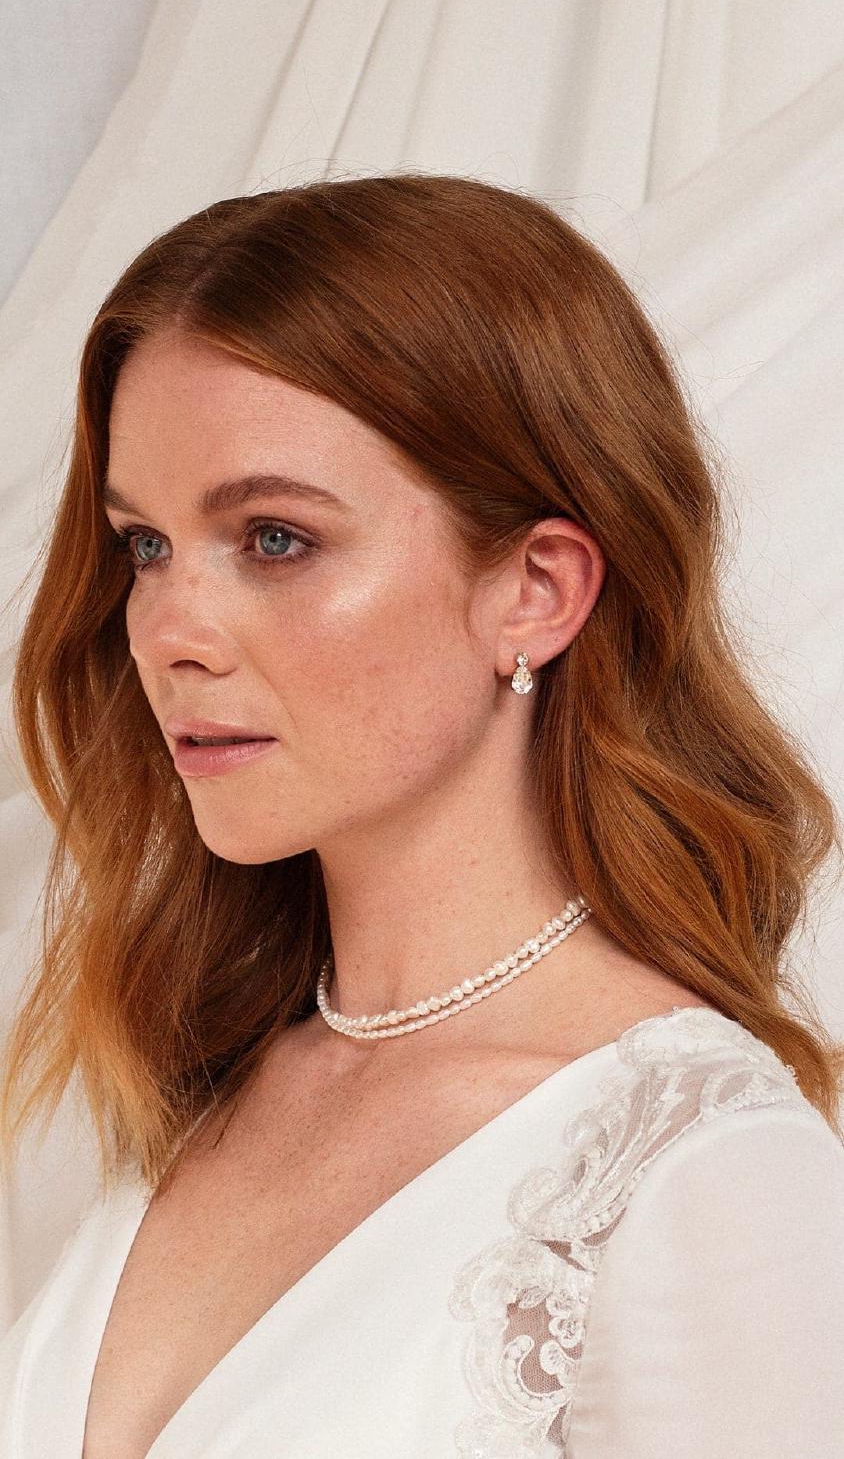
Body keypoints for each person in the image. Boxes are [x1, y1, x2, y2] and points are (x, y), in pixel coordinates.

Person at [0, 173, 842, 1458]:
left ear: (536, 590)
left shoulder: (697, 1174)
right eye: (144, 546)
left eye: (273, 539)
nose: (167, 632)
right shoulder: (193, 1087)